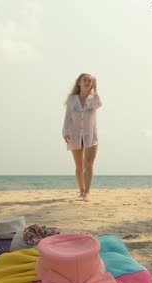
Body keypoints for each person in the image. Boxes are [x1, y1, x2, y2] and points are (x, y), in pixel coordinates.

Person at [62, 73, 102, 201]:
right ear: (79, 82)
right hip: (75, 135)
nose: (87, 82)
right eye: (85, 80)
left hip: (91, 136)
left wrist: (96, 89)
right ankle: (81, 190)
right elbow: (68, 117)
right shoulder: (71, 99)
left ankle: (87, 192)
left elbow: (99, 103)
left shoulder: (94, 99)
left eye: (90, 81)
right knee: (79, 166)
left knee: (89, 164)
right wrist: (65, 132)